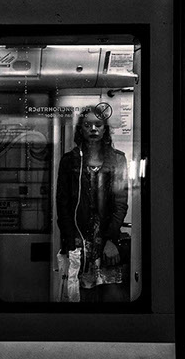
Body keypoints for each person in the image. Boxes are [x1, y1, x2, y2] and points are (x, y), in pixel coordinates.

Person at [56, 106, 129, 302]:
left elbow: (120, 203)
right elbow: (62, 205)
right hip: (79, 239)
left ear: (105, 129)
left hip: (106, 237)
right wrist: (69, 240)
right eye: (88, 125)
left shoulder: (117, 159)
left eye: (98, 125)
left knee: (112, 295)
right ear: (81, 129)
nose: (93, 129)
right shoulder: (70, 161)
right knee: (83, 296)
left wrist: (111, 239)